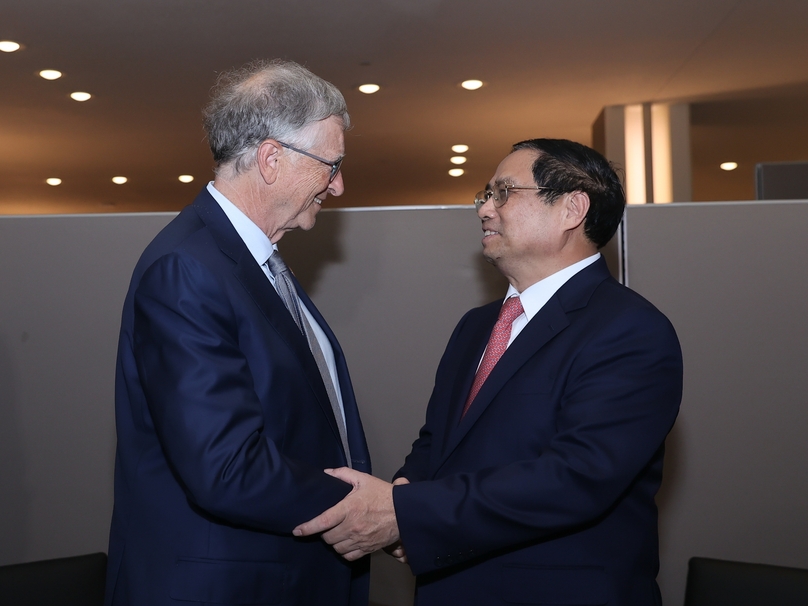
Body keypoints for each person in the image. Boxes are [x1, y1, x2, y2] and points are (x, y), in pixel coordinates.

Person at [294, 138, 683, 605]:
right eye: (485, 195)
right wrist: (402, 492)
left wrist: (405, 513)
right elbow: (437, 443)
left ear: (572, 208)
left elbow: (576, 478)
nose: (484, 210)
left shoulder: (629, 330)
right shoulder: (476, 327)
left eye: (503, 193)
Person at [105, 59, 371, 606]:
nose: (339, 185)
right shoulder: (187, 268)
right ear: (272, 159)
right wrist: (361, 506)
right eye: (332, 164)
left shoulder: (249, 262)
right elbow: (226, 466)